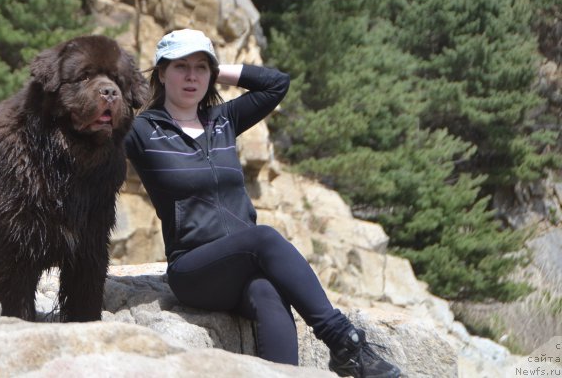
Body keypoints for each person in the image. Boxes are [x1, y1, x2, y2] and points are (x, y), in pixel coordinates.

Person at [124, 28, 401, 377]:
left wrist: (216, 66)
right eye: (180, 66)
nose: (191, 76)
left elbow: (276, 83)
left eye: (200, 67)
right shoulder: (142, 131)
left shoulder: (222, 120)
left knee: (269, 293)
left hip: (242, 268)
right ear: (162, 73)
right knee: (265, 237)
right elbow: (91, 144)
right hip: (194, 270)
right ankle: (344, 341)